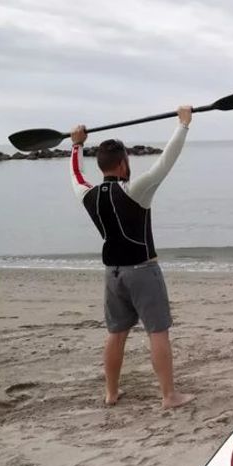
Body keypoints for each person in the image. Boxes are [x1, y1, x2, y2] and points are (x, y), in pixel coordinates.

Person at [69, 106, 196, 409]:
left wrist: (75, 145)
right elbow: (166, 162)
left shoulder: (87, 195)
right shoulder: (135, 190)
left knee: (116, 333)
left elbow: (75, 175)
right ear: (124, 163)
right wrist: (183, 124)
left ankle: (111, 393)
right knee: (158, 331)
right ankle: (169, 396)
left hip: (112, 274)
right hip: (143, 272)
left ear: (101, 166)